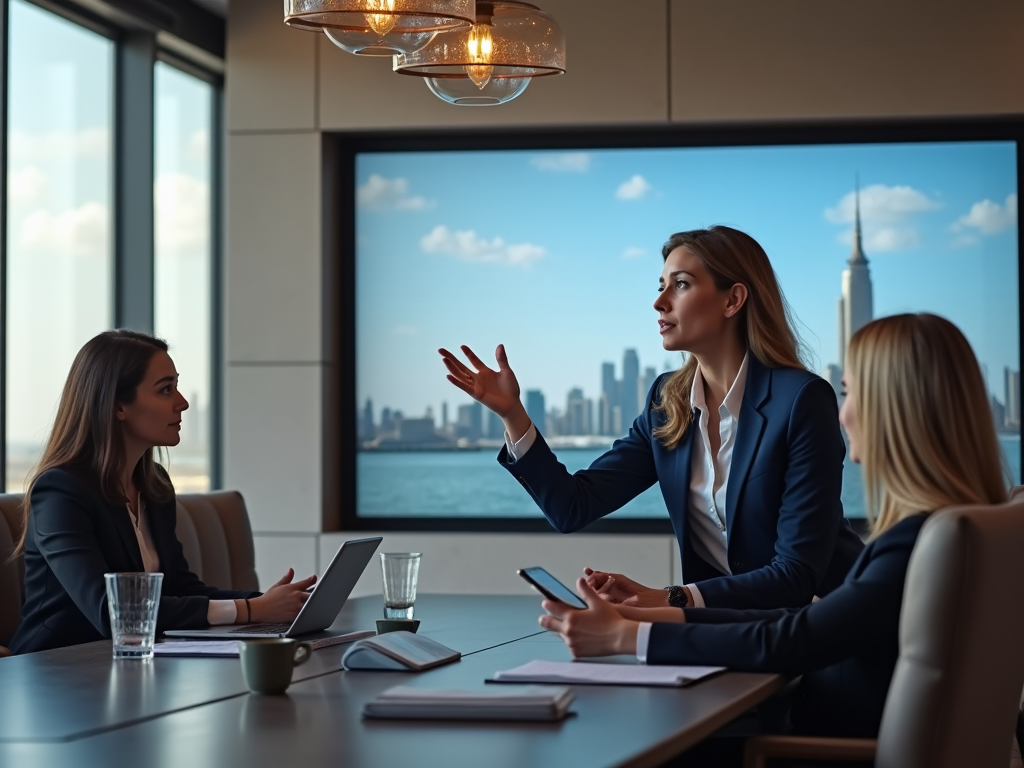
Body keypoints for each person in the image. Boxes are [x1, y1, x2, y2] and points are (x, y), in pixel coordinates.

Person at [538, 313, 1009, 738]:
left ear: (897, 409)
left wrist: (626, 637)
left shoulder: (912, 546)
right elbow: (800, 621)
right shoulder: (961, 532)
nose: (842, 415)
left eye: (850, 393)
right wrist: (644, 615)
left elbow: (793, 637)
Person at [439, 226, 863, 611]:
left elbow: (795, 575)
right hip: (731, 630)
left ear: (733, 299)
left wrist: (669, 598)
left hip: (833, 629)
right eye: (661, 286)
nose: (659, 302)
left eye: (680, 285)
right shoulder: (667, 401)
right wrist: (513, 414)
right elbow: (572, 507)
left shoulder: (801, 399)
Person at [10, 330, 315, 654]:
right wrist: (250, 610)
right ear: (118, 406)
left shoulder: (154, 486)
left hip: (134, 667)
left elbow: (179, 588)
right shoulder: (60, 492)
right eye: (165, 389)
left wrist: (274, 603)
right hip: (56, 673)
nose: (182, 402)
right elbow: (110, 612)